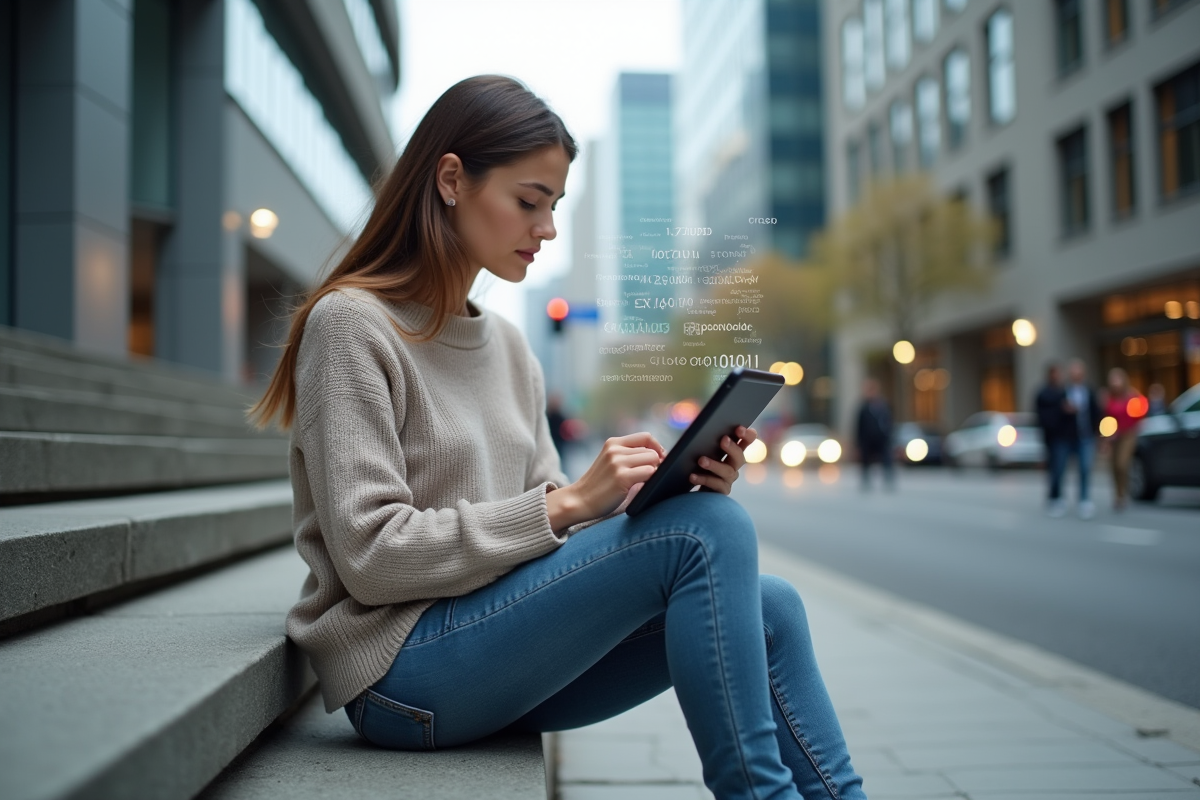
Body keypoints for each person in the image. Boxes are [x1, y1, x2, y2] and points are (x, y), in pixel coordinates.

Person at [248, 76, 865, 800]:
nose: (546, 229)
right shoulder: (352, 325)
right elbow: (372, 559)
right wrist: (566, 506)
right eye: (529, 202)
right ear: (451, 179)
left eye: (555, 207)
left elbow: (547, 541)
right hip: (401, 671)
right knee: (707, 532)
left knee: (771, 604)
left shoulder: (508, 347)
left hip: (495, 645)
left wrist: (641, 494)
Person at [1061, 359, 1103, 519]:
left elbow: (1096, 412)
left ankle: (1084, 499)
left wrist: (1098, 433)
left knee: (1085, 468)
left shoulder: (1090, 391)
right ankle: (1060, 498)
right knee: (1063, 468)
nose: (1076, 376)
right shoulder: (1063, 391)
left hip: (1086, 436)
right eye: (1074, 373)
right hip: (1067, 437)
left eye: (1079, 373)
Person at [1103, 368, 1143, 511]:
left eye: (1118, 379)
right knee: (1113, 467)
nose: (1115, 383)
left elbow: (1139, 415)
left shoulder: (1132, 396)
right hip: (1113, 436)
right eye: (1113, 380)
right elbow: (1105, 417)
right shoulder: (1108, 398)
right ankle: (1118, 495)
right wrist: (1106, 437)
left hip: (1128, 434)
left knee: (1122, 464)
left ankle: (1123, 494)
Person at [1035, 363, 1070, 517]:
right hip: (1051, 437)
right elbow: (1041, 417)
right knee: (1055, 468)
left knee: (1059, 468)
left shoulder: (1064, 391)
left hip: (1063, 436)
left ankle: (1055, 495)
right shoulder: (1044, 393)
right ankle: (1054, 496)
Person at [856, 377, 894, 490]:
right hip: (867, 440)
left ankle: (888, 480)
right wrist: (857, 444)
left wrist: (888, 435)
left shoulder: (883, 406)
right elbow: (858, 426)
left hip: (881, 438)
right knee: (866, 461)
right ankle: (866, 482)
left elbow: (889, 422)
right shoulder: (863, 407)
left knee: (886, 460)